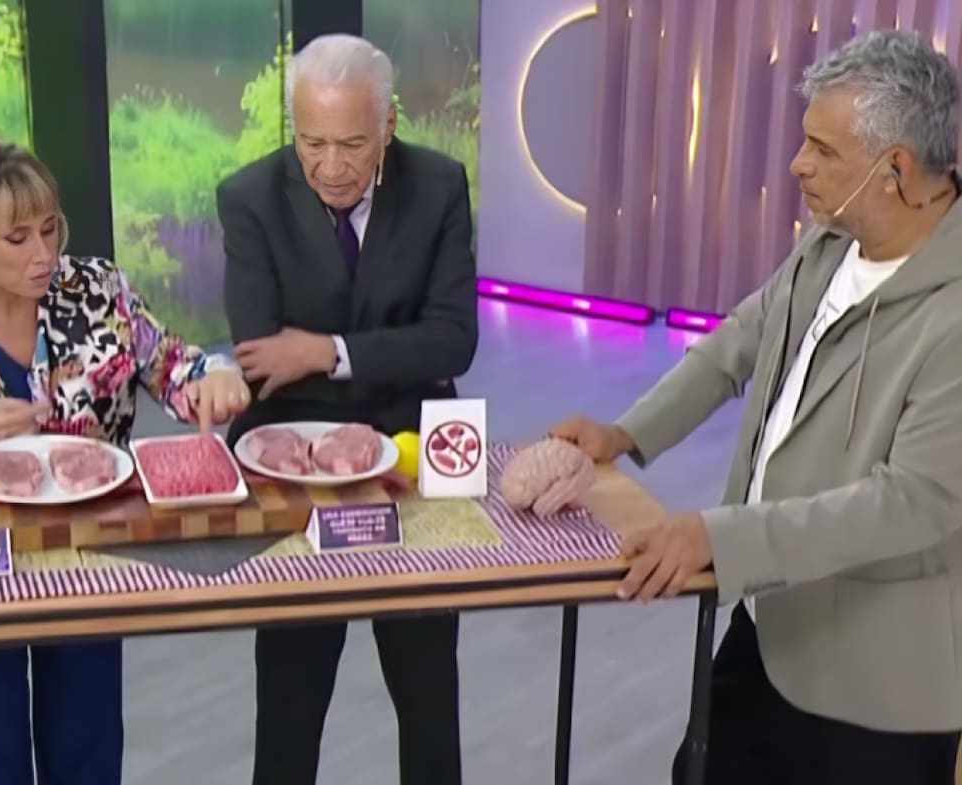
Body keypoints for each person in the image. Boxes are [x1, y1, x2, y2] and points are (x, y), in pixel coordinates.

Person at [551, 30, 962, 785]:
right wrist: (625, 433)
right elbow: (737, 342)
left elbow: (913, 502)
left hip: (877, 684)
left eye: (822, 150)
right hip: (772, 615)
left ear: (896, 170)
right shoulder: (830, 243)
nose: (798, 164)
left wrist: (720, 536)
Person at [0, 134, 250, 785]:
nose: (43, 254)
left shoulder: (99, 292)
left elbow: (174, 365)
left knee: (87, 753)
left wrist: (217, 376)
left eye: (50, 229)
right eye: (17, 238)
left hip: (87, 552)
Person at [216, 33, 478, 785]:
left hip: (412, 460)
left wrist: (324, 351)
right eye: (312, 143)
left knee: (428, 695)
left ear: (388, 124)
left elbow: (454, 340)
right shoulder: (249, 198)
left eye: (352, 145)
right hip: (291, 465)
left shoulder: (439, 186)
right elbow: (262, 355)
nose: (330, 166)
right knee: (290, 700)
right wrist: (392, 352)